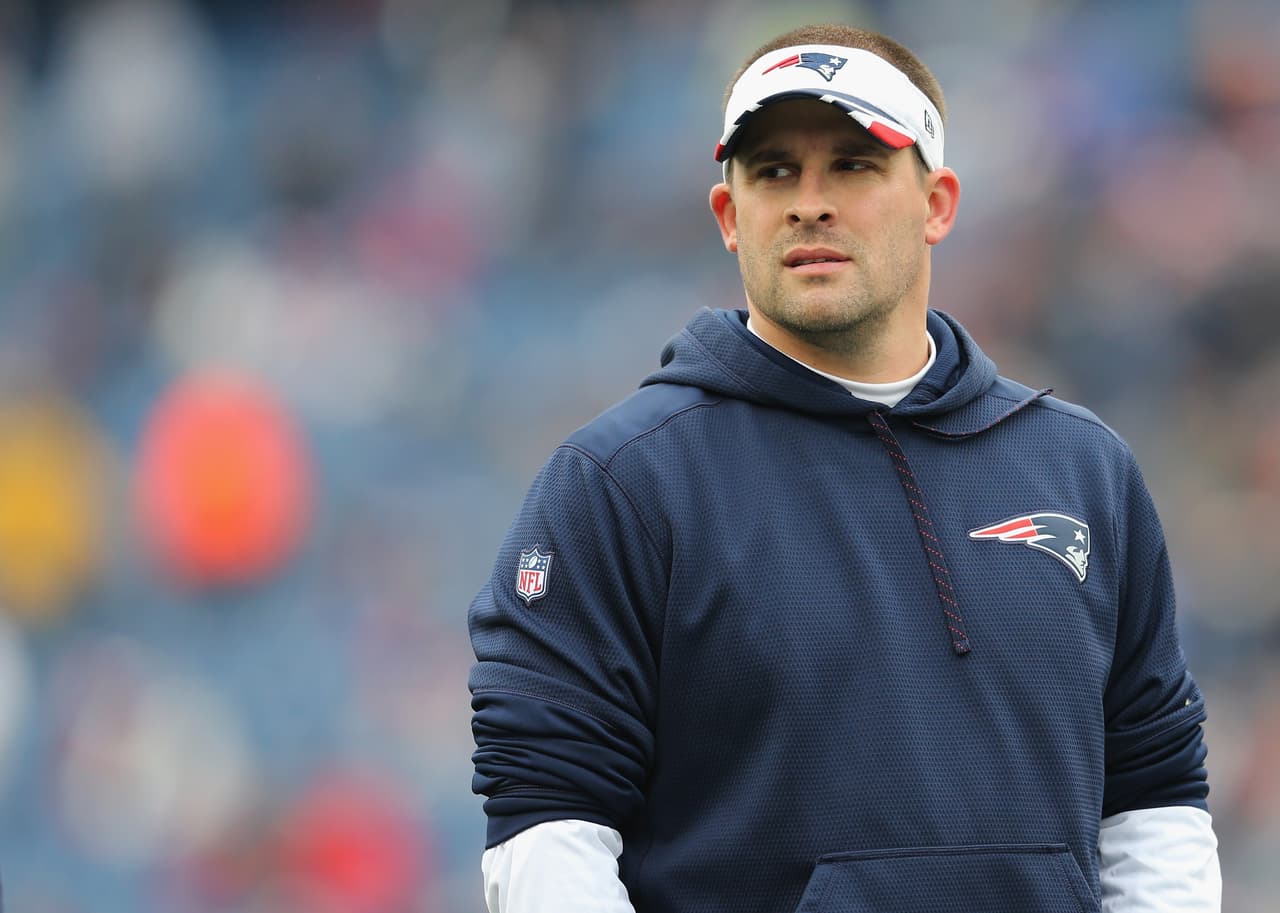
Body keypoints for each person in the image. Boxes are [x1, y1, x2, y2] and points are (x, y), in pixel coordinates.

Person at [468, 22, 1221, 913]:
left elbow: (1153, 792)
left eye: (854, 166)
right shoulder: (623, 483)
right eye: (774, 171)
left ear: (937, 204)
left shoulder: (1082, 468)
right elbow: (549, 824)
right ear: (729, 216)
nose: (808, 203)